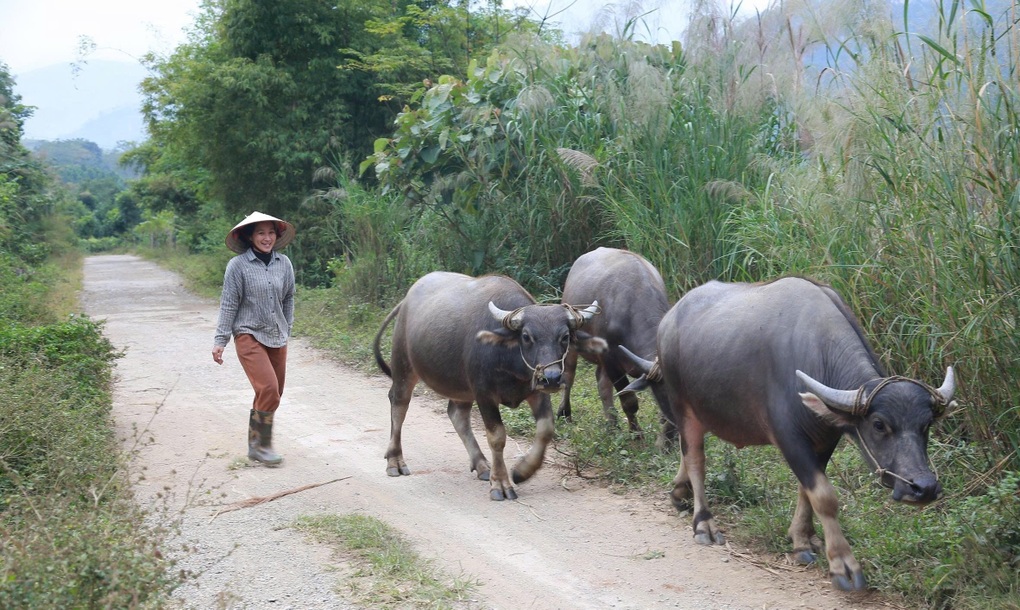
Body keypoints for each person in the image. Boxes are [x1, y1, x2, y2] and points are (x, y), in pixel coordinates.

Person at [212, 211, 296, 466]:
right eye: (260, 233)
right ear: (249, 236)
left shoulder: (284, 263)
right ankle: (263, 446)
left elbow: (289, 297)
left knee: (274, 392)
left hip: (276, 334)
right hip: (248, 334)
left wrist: (287, 328)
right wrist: (220, 340)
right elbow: (229, 304)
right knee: (268, 388)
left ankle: (255, 445)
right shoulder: (237, 266)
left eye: (271, 232)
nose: (267, 238)